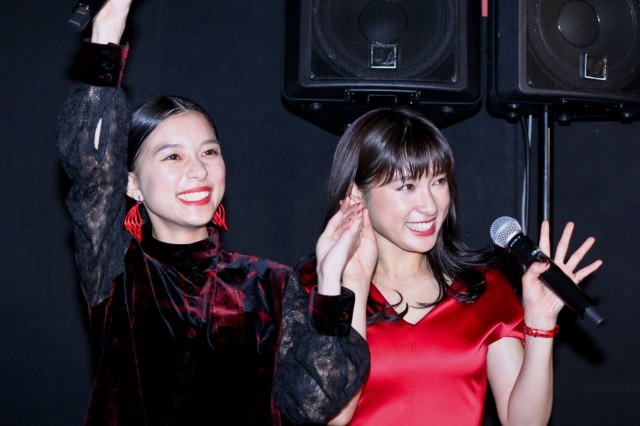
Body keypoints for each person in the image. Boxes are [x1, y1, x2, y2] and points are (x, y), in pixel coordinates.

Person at [273, 107, 603, 425]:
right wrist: (352, 283)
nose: (430, 205)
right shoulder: (317, 286)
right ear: (357, 194)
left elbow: (524, 422)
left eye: (439, 181)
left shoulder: (482, 287)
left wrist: (540, 325)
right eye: (407, 186)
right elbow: (335, 415)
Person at [57, 1, 297, 423]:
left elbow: (317, 404)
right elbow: (92, 171)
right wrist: (109, 24)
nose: (198, 170)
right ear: (131, 183)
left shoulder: (272, 284)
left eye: (209, 152)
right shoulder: (116, 272)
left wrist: (340, 284)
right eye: (172, 157)